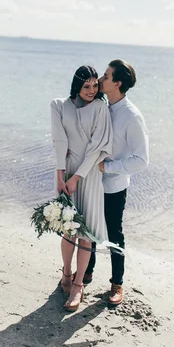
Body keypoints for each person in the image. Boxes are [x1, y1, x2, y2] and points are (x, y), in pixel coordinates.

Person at [85, 59, 149, 306]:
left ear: (118, 83)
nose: (100, 80)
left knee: (114, 234)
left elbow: (141, 160)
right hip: (91, 182)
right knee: (88, 228)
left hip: (114, 185)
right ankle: (86, 272)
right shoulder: (100, 105)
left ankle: (117, 283)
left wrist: (108, 167)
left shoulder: (132, 117)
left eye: (106, 76)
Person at [50, 65, 113, 312]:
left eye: (95, 85)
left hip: (88, 175)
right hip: (65, 173)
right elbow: (59, 139)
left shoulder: (100, 108)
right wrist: (60, 174)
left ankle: (78, 285)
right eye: (86, 86)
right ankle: (66, 273)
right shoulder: (59, 105)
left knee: (86, 232)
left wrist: (77, 176)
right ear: (77, 85)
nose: (91, 90)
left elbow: (97, 147)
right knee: (68, 228)